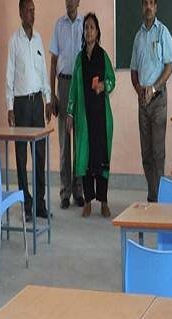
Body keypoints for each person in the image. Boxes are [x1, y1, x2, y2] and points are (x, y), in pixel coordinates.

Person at [66, 13, 115, 218]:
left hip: (101, 117)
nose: (88, 31)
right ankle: (87, 201)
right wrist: (70, 113)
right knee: (85, 159)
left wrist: (104, 85)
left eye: (92, 27)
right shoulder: (79, 59)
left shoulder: (103, 56)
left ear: (97, 32)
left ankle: (103, 201)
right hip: (84, 118)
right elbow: (73, 90)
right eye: (86, 27)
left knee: (101, 159)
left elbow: (112, 81)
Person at [6, 0, 51, 222]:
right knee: (22, 156)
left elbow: (43, 71)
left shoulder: (39, 39)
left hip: (37, 104)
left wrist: (48, 99)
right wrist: (10, 107)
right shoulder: (14, 41)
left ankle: (40, 203)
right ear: (21, 12)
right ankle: (26, 203)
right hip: (21, 104)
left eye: (34, 10)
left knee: (40, 155)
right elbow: (9, 75)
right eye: (29, 10)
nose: (32, 14)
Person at [130, 0, 172, 202]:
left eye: (151, 3)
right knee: (146, 154)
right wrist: (139, 90)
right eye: (145, 3)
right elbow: (133, 71)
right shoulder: (138, 37)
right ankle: (152, 194)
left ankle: (160, 197)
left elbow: (168, 68)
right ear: (142, 7)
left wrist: (153, 88)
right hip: (142, 102)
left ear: (156, 7)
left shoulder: (163, 32)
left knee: (158, 153)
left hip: (158, 100)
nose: (148, 7)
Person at [49, 0, 85, 210]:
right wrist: (52, 94)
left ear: (78, 2)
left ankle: (78, 191)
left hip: (80, 85)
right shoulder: (59, 25)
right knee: (64, 141)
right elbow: (53, 61)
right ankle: (65, 191)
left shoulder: (84, 24)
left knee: (79, 141)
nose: (69, 2)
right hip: (63, 84)